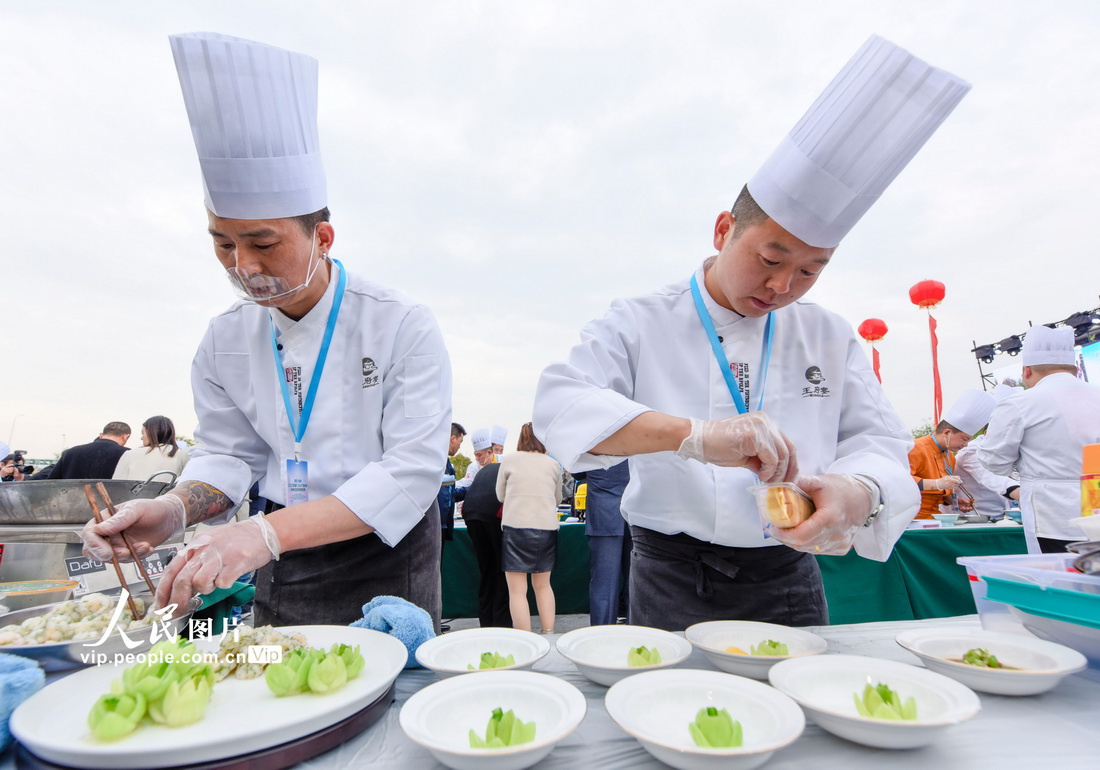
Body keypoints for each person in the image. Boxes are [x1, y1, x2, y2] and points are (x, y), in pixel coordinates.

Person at [533, 35, 966, 631]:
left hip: (788, 573)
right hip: (668, 572)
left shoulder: (828, 336)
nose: (784, 286)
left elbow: (882, 445)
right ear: (723, 230)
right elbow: (561, 407)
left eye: (810, 270)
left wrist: (859, 490)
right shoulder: (639, 319)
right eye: (770, 258)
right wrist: (693, 435)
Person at [81, 33, 451, 628]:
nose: (242, 266)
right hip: (275, 546)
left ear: (322, 239)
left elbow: (410, 472)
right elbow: (230, 455)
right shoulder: (223, 339)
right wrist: (173, 510)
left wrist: (261, 536)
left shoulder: (399, 322)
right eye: (223, 244)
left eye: (262, 243)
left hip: (385, 548)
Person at [980, 326, 1100, 553]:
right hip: (1096, 508)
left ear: (1026, 371)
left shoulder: (1020, 403)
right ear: (1074, 369)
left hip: (1055, 517)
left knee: (1062, 582)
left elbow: (993, 462)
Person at [496, 423, 562, 634]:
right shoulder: (553, 464)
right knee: (543, 586)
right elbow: (558, 499)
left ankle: (525, 638)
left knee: (517, 591)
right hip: (545, 529)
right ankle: (549, 633)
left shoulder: (509, 460)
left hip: (515, 528)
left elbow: (500, 495)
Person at [907, 390, 996, 519]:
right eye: (964, 439)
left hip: (935, 517)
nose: (965, 445)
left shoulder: (950, 457)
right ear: (947, 432)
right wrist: (937, 483)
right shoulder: (915, 448)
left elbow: (942, 493)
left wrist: (954, 501)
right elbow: (901, 481)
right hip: (911, 517)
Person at [461, 439, 511, 627]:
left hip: (471, 513)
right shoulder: (506, 470)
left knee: (486, 571)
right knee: (501, 570)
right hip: (491, 514)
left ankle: (486, 623)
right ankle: (501, 624)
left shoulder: (487, 470)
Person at [953, 384, 1022, 518]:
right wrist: (1024, 494)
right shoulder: (971, 450)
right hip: (975, 520)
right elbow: (994, 480)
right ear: (987, 433)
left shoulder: (1013, 452)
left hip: (1005, 518)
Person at [584, 461, 631, 626]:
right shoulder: (639, 441)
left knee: (604, 584)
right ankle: (637, 632)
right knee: (636, 583)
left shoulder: (593, 442)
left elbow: (577, 471)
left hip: (604, 514)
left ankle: (601, 633)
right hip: (635, 514)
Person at [112, 416, 190, 481]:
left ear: (151, 433)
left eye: (143, 433)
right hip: (169, 499)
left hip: (134, 499)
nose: (141, 438)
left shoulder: (130, 454)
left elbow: (116, 485)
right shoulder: (183, 455)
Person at [48, 422, 131, 480]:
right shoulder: (127, 454)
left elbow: (52, 482)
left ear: (101, 435)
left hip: (71, 503)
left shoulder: (70, 452)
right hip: (111, 504)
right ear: (125, 436)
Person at [437, 423, 466, 544]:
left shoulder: (447, 464)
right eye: (461, 441)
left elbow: (451, 494)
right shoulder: (437, 460)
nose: (460, 446)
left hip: (443, 524)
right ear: (453, 438)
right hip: (436, 524)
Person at [455, 427, 495, 492]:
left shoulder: (503, 462)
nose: (476, 459)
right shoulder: (473, 467)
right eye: (475, 455)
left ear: (489, 453)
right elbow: (465, 483)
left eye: (479, 455)